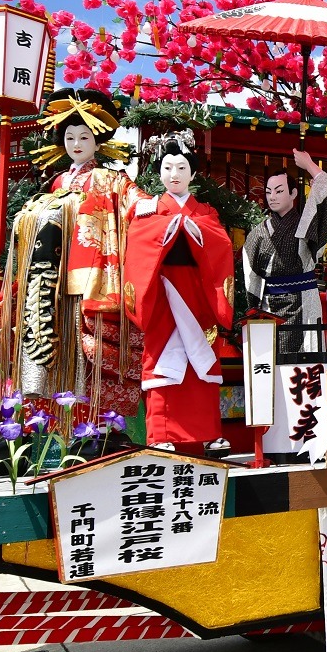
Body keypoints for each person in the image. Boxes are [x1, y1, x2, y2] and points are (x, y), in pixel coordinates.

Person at [0, 88, 141, 415]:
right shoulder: (57, 182)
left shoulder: (110, 179)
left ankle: (95, 423)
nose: (76, 144)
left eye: (84, 137)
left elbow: (135, 202)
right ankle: (51, 419)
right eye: (70, 137)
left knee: (85, 352)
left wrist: (149, 206)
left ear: (97, 141)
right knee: (51, 341)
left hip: (88, 277)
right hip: (51, 281)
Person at [122, 131, 235, 455]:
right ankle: (161, 435)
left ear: (193, 174)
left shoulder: (205, 212)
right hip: (163, 293)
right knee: (162, 359)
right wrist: (167, 229)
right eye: (168, 168)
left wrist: (198, 233)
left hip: (196, 293)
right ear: (159, 173)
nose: (175, 175)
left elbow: (221, 243)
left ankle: (210, 434)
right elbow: (139, 243)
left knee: (201, 359)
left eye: (182, 168)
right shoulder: (148, 211)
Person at [243, 150, 327, 356]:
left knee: (306, 364)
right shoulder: (257, 234)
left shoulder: (304, 226)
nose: (272, 197)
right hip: (269, 308)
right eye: (269, 191)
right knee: (271, 362)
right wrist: (254, 312)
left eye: (279, 191)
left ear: (294, 194)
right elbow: (250, 278)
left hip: (304, 302)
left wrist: (309, 165)